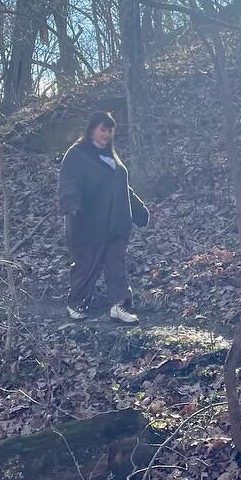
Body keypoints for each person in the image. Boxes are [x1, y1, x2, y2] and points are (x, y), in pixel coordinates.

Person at [58, 111, 150, 323]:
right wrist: (72, 204)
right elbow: (68, 182)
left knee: (116, 264)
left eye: (110, 130)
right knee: (87, 266)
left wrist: (139, 211)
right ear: (92, 129)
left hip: (117, 223)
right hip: (89, 223)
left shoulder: (112, 157)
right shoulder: (77, 154)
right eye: (103, 129)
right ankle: (77, 303)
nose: (106, 134)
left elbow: (123, 188)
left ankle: (120, 306)